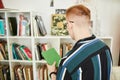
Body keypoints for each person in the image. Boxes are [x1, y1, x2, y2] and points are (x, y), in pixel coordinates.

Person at [47, 4, 112, 80]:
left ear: (70, 25)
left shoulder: (67, 63)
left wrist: (52, 73)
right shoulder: (105, 48)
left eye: (66, 24)